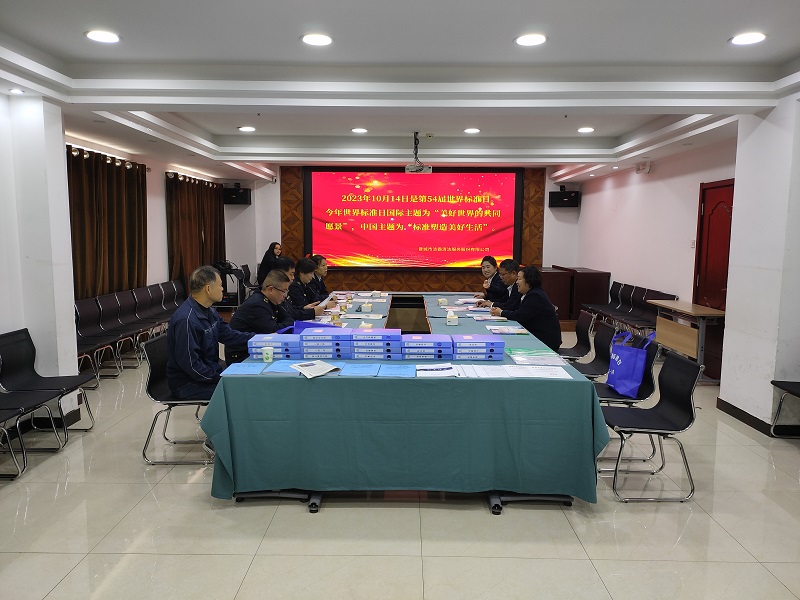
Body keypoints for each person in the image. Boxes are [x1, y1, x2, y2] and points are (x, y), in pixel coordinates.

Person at [167, 265, 254, 399]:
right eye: (220, 285)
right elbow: (191, 365)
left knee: (248, 383)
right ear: (208, 289)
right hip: (188, 383)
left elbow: (229, 335)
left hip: (208, 373)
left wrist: (259, 338)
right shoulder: (187, 320)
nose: (222, 289)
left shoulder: (209, 311)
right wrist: (219, 378)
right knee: (241, 393)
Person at [225, 270, 295, 364]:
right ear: (270, 289)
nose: (285, 296)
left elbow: (288, 317)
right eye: (284, 291)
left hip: (257, 349)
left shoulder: (270, 300)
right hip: (242, 355)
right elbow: (273, 330)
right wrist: (286, 322)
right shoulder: (257, 305)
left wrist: (286, 321)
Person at [491, 265, 562, 352]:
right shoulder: (531, 293)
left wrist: (501, 312)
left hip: (545, 342)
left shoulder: (535, 296)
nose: (517, 282)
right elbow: (516, 310)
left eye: (519, 279)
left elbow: (519, 316)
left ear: (528, 281)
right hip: (536, 336)